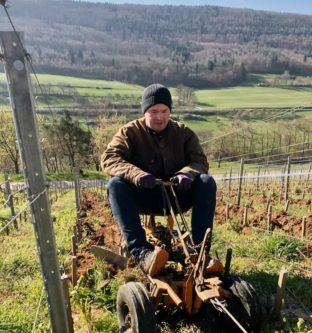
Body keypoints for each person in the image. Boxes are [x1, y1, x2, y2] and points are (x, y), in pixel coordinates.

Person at [101, 84, 217, 277]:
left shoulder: (184, 133)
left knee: (206, 182)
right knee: (115, 185)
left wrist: (186, 174)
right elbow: (110, 158)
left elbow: (199, 161)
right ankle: (142, 253)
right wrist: (136, 175)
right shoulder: (129, 132)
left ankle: (200, 253)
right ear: (145, 111)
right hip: (144, 196)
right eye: (153, 111)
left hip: (176, 196)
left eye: (164, 111)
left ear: (170, 111)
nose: (160, 117)